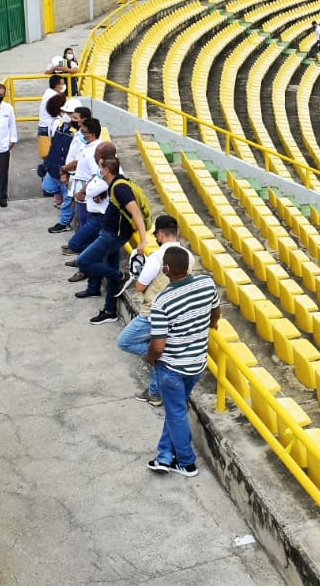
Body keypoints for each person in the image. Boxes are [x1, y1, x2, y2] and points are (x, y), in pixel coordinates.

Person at [145, 247, 220, 477]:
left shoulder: (162, 301)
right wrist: (210, 326)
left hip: (172, 368)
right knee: (176, 409)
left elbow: (158, 346)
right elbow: (216, 313)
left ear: (166, 270)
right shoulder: (206, 283)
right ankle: (164, 456)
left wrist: (150, 359)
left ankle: (187, 463)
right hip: (197, 363)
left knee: (176, 412)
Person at [118, 215, 193, 407]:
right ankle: (154, 392)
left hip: (153, 313)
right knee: (157, 348)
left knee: (125, 341)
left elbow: (141, 286)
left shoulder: (157, 257)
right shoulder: (188, 256)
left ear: (160, 234)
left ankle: (165, 357)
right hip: (177, 313)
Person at [77, 156, 151, 325]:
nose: (98, 171)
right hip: (111, 233)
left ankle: (121, 276)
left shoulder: (120, 188)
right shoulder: (115, 185)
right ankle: (110, 310)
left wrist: (143, 240)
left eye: (100, 168)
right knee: (110, 273)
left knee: (83, 261)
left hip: (112, 235)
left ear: (106, 170)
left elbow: (136, 212)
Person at [65, 138, 114, 278]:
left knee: (76, 243)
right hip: (95, 212)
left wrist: (90, 192)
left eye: (97, 154)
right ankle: (85, 270)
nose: (94, 155)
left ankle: (115, 275)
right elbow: (94, 184)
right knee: (90, 245)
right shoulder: (102, 169)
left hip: (101, 216)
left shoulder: (110, 170)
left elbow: (94, 189)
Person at [41, 94, 78, 233]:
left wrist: (66, 172)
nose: (65, 115)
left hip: (67, 172)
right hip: (54, 168)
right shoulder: (60, 126)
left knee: (67, 200)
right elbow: (54, 145)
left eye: (68, 113)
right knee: (48, 186)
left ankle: (64, 223)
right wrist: (48, 164)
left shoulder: (77, 133)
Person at [37, 74, 65, 159]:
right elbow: (59, 112)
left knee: (47, 158)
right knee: (51, 157)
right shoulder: (53, 96)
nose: (63, 86)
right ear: (57, 85)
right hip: (48, 129)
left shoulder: (49, 92)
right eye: (62, 84)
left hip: (44, 127)